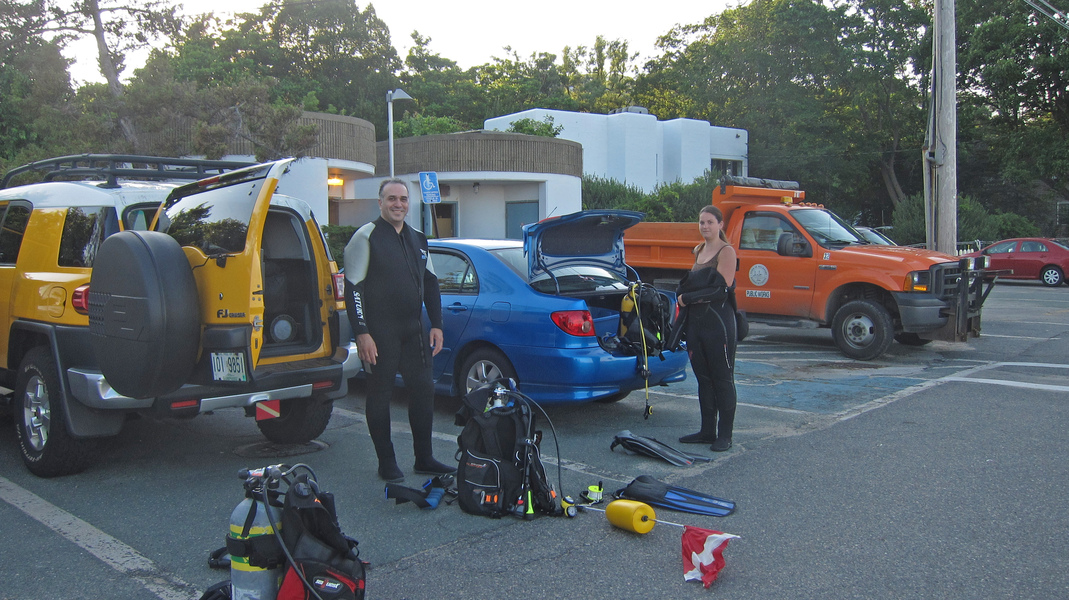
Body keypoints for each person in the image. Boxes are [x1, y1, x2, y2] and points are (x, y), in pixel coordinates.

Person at [343, 178, 455, 482]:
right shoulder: (366, 237)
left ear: (409, 203)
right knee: (380, 395)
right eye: (392, 198)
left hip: (413, 330)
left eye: (403, 199)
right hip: (379, 334)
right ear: (380, 202)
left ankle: (424, 458)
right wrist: (362, 332)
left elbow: (430, 282)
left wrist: (437, 325)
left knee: (423, 390)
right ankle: (387, 461)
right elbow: (353, 289)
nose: (398, 204)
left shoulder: (418, 238)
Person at [676, 205, 738, 452]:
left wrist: (687, 298)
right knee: (703, 378)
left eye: (710, 222)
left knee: (722, 378)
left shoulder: (726, 251)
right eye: (702, 222)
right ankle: (707, 431)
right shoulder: (699, 250)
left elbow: (721, 289)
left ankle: (725, 435)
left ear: (720, 225)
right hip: (697, 323)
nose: (705, 226)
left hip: (719, 323)